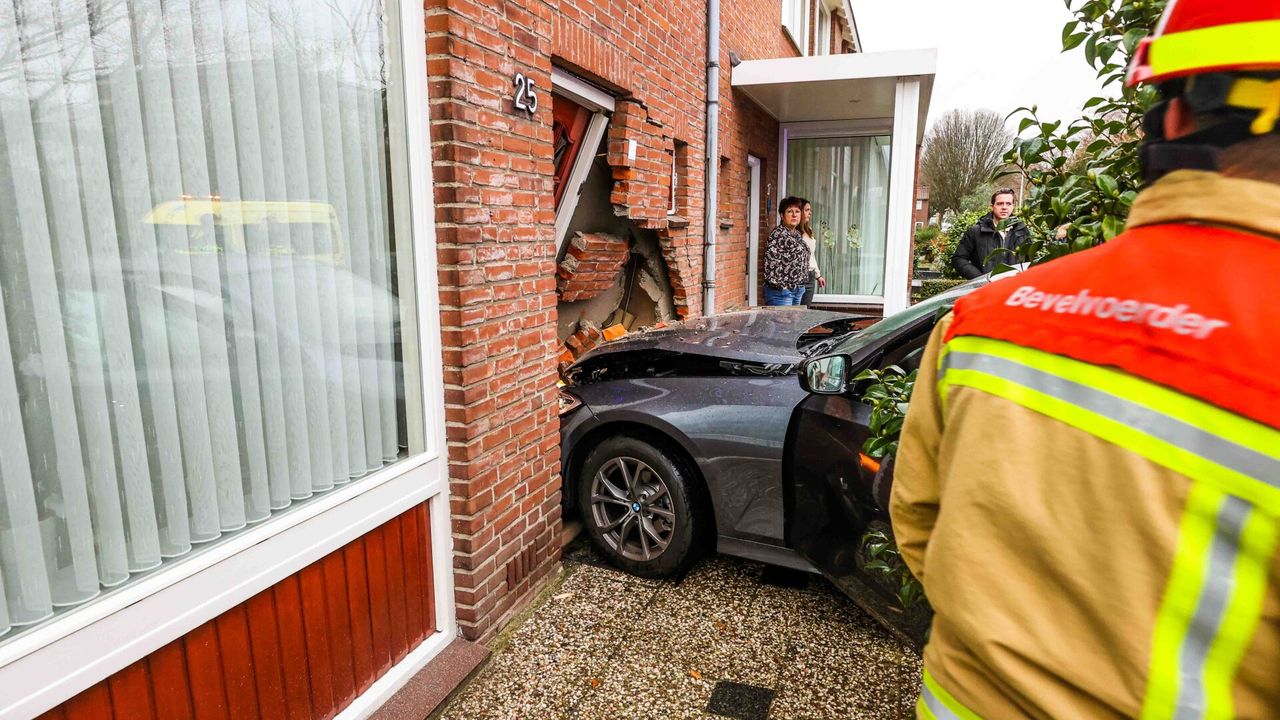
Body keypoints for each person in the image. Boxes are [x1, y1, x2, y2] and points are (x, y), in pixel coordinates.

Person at [892, 2, 1280, 718]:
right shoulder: (978, 276)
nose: (1005, 206)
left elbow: (916, 517)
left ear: (1170, 119)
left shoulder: (980, 323)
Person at [950, 188, 1030, 279]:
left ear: (1013, 206)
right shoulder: (976, 231)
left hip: (1014, 288)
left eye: (1008, 204)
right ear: (992, 206)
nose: (1004, 207)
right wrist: (980, 279)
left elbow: (1031, 259)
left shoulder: (1022, 231)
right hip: (985, 288)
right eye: (1000, 203)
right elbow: (958, 259)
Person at [762, 196, 810, 306]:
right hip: (782, 293)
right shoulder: (778, 235)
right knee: (783, 323)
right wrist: (783, 287)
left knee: (793, 323)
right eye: (790, 211)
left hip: (797, 290)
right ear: (782, 215)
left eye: (797, 211)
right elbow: (771, 267)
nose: (794, 215)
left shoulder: (797, 235)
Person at [798, 199, 826, 305]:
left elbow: (811, 255)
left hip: (810, 276)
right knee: (796, 313)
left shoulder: (808, 230)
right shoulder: (795, 232)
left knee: (805, 310)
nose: (810, 213)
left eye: (810, 210)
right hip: (798, 277)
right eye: (807, 210)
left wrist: (818, 275)